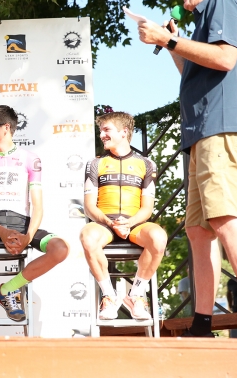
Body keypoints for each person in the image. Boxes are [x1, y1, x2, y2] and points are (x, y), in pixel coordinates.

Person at [137, 0, 237, 338]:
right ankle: (202, 323)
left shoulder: (223, 1)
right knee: (198, 231)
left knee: (224, 221)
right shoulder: (208, 18)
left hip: (221, 128)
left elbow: (225, 59)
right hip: (204, 131)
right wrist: (174, 43)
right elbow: (197, 73)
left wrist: (169, 39)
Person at [0, 105, 69, 321]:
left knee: (60, 249)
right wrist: (0, 231)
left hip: (22, 222)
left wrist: (27, 236)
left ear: (6, 127)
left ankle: (8, 290)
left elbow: (38, 207)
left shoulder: (30, 159)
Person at [80, 112, 167, 320]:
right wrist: (110, 222)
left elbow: (147, 207)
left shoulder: (147, 164)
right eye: (101, 131)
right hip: (105, 224)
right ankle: (109, 296)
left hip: (135, 224)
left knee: (159, 238)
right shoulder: (94, 164)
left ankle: (136, 294)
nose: (102, 135)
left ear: (124, 132)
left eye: (107, 130)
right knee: (87, 237)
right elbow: (89, 206)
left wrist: (130, 222)